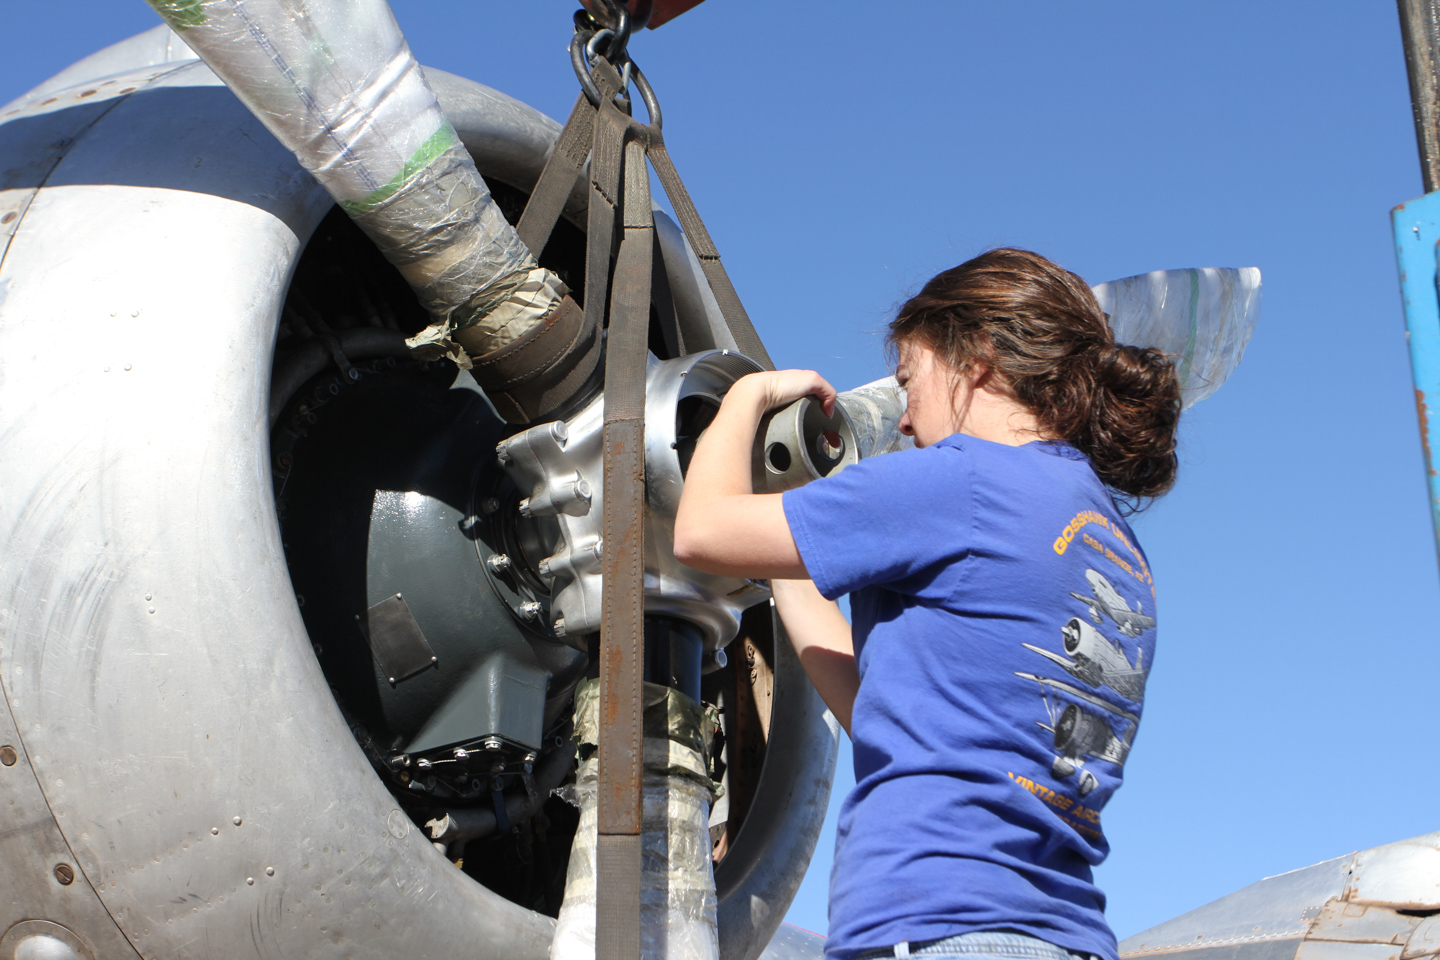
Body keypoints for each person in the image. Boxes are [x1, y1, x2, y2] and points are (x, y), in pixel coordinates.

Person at [673, 248, 1181, 960]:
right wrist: (788, 558)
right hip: (1059, 936)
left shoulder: (958, 483)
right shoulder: (1115, 548)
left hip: (943, 927)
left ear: (973, 360)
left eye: (909, 383)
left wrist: (745, 398)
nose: (904, 423)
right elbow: (881, 714)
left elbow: (699, 530)